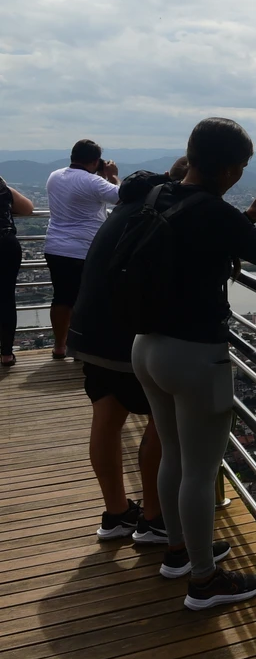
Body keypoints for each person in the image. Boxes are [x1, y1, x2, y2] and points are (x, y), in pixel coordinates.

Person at [132, 119, 256, 610]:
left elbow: (197, 242)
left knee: (173, 455)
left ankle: (178, 553)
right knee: (201, 471)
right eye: (243, 168)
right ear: (230, 167)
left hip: (146, 346)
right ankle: (204, 582)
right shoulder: (213, 211)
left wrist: (248, 214)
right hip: (194, 356)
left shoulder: (160, 197)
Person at [68, 157, 190, 541]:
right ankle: (155, 518)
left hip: (90, 328)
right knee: (162, 424)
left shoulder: (131, 202)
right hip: (129, 335)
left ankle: (117, 512)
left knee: (106, 418)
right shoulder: (174, 208)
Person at [44, 140, 121, 359]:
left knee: (61, 298)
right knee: (87, 299)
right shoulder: (94, 182)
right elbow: (123, 197)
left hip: (55, 247)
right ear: (96, 161)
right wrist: (113, 175)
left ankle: (59, 346)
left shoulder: (54, 175)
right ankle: (82, 349)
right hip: (85, 249)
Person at [0, 176, 35, 367]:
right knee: (6, 299)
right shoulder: (2, 188)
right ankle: (6, 353)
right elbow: (27, 208)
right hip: (5, 243)